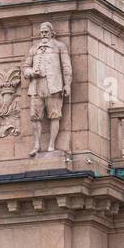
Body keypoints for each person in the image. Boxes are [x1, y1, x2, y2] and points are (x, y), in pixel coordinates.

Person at [23, 21, 72, 154]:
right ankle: (37, 145)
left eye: (46, 32)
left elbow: (66, 67)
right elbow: (25, 68)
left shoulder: (59, 46)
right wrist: (32, 72)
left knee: (55, 115)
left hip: (54, 87)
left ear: (51, 33)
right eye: (42, 32)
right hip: (36, 87)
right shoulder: (34, 49)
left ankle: (51, 145)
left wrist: (67, 84)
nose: (43, 34)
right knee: (35, 116)